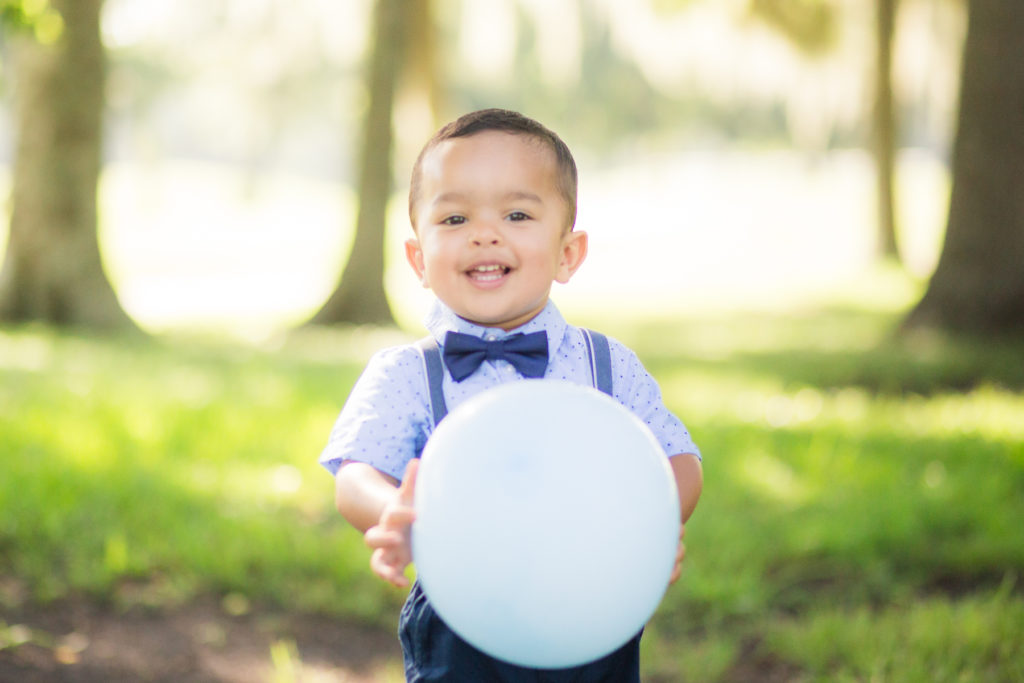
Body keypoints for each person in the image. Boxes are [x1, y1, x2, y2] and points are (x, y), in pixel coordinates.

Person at [320, 108, 703, 682]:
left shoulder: (607, 366)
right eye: (453, 218)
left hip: (594, 601)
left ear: (567, 253)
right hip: (464, 616)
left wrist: (652, 521)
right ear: (418, 259)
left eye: (517, 213)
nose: (484, 233)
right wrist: (393, 509)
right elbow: (357, 472)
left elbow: (676, 456)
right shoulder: (407, 373)